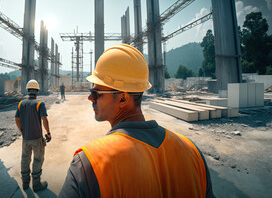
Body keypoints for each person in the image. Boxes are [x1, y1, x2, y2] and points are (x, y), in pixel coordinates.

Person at [59, 44, 214, 197]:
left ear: (123, 99)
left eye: (96, 92)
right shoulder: (193, 152)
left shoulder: (88, 164)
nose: (90, 97)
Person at [15, 79, 52, 191]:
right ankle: (36, 185)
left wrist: (22, 131)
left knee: (25, 159)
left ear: (28, 90)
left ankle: (25, 184)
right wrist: (48, 133)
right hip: (37, 139)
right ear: (37, 91)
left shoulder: (21, 103)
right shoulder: (40, 104)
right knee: (37, 160)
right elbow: (44, 119)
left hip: (25, 139)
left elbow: (17, 119)